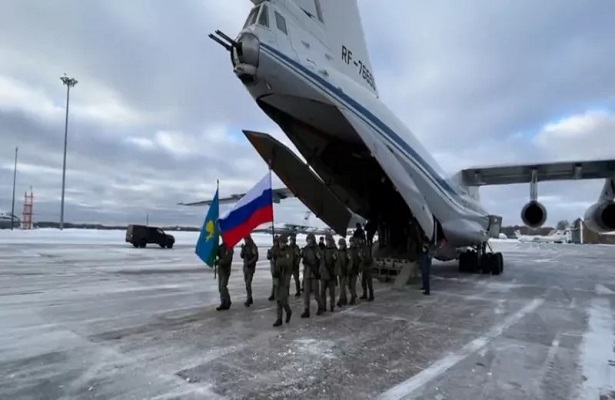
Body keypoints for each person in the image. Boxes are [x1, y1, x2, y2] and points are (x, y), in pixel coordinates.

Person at [301, 233, 324, 317]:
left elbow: (321, 261)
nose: (309, 241)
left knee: (316, 293)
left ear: (313, 240)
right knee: (306, 293)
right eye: (308, 239)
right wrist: (304, 260)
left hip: (314, 274)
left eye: (310, 239)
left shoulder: (317, 249)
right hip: (307, 273)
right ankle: (306, 310)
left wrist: (319, 272)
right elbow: (303, 257)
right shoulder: (306, 249)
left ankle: (321, 306)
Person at [272, 233, 294, 326]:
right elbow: (271, 258)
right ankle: (279, 318)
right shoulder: (276, 249)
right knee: (278, 298)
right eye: (281, 242)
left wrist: (278, 259)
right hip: (277, 276)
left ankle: (288, 311)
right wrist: (272, 255)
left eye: (284, 243)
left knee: (283, 298)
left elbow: (288, 262)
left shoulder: (289, 251)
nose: (282, 244)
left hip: (285, 276)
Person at [320, 234, 337, 312]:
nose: (327, 242)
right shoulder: (324, 250)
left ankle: (332, 305)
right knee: (322, 292)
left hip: (331, 274)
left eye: (329, 240)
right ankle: (323, 306)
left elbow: (336, 262)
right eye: (326, 240)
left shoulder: (334, 250)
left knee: (331, 292)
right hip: (324, 274)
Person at [240, 234, 259, 307]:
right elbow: (242, 256)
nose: (245, 240)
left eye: (246, 239)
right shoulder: (245, 247)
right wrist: (242, 249)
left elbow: (256, 256)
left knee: (248, 283)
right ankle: (249, 297)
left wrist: (250, 262)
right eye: (245, 239)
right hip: (245, 267)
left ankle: (249, 298)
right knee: (247, 284)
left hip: (250, 267)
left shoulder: (253, 246)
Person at [215, 238, 234, 310]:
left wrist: (219, 262)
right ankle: (224, 301)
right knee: (220, 287)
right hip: (220, 270)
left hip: (226, 270)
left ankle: (226, 302)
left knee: (223, 286)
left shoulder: (229, 248)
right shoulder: (221, 247)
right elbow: (217, 253)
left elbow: (227, 260)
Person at [335, 237, 349, 307]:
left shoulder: (347, 252)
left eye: (341, 245)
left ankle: (341, 300)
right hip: (340, 272)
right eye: (339, 245)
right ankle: (345, 299)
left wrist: (347, 269)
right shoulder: (338, 252)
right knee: (341, 286)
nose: (340, 246)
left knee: (342, 287)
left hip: (344, 271)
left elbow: (349, 262)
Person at [347, 236, 360, 305]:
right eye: (350, 242)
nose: (351, 243)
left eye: (352, 241)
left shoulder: (357, 250)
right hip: (349, 270)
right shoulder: (348, 250)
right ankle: (354, 295)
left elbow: (360, 260)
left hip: (354, 270)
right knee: (349, 285)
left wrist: (358, 268)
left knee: (352, 285)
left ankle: (353, 298)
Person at [267, 235, 280, 301]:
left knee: (278, 282)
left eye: (276, 241)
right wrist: (269, 255)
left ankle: (276, 294)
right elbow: (269, 257)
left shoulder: (280, 248)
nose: (275, 243)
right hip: (273, 267)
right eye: (275, 241)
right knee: (275, 281)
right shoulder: (272, 248)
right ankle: (273, 294)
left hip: (279, 267)